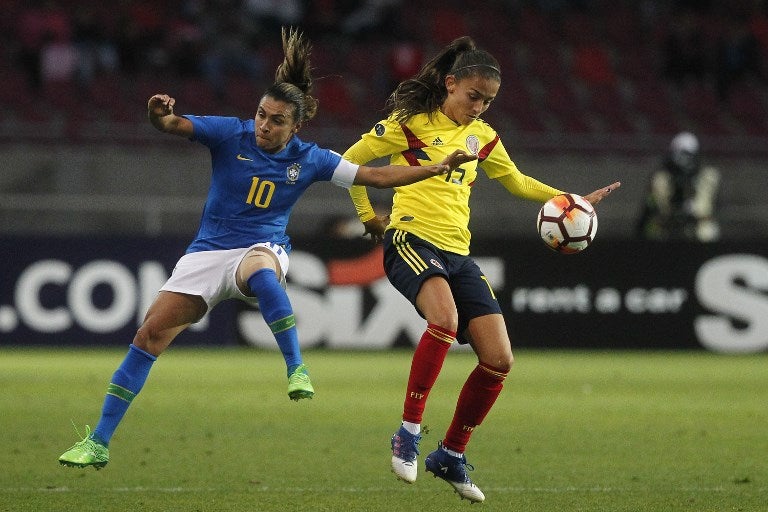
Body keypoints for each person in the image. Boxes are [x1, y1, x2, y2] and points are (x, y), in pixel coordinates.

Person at [58, 27, 476, 470]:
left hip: (263, 247)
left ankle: (296, 367)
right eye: (261, 114)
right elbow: (173, 124)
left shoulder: (311, 158)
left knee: (259, 268)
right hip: (207, 253)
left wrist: (435, 168)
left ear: (296, 126)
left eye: (276, 120)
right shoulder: (230, 134)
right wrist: (156, 114)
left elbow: (374, 176)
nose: (264, 125)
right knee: (148, 336)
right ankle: (98, 442)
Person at [342, 36, 620, 503]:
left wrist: (571, 199)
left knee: (499, 359)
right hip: (411, 238)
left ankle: (451, 453)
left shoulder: (483, 137)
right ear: (450, 83)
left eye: (488, 101)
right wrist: (368, 216)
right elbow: (350, 163)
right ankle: (408, 432)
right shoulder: (408, 123)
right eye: (473, 96)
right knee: (445, 321)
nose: (479, 107)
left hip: (458, 253)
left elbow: (517, 182)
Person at [636, 131, 720, 242]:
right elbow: (650, 207)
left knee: (707, 231)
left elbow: (715, 207)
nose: (684, 160)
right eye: (681, 155)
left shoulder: (708, 176)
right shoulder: (661, 178)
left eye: (687, 155)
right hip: (667, 229)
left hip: (700, 230)